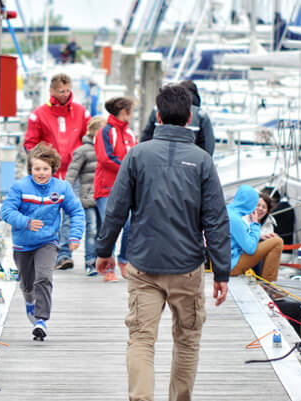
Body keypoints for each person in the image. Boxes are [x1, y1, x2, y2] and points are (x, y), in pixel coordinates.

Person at [96, 84, 230, 401]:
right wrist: (222, 271)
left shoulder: (137, 156)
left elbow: (116, 209)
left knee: (141, 338)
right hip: (187, 267)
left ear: (157, 116)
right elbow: (216, 219)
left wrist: (104, 251)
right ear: (188, 120)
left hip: (144, 264)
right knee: (187, 338)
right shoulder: (202, 161)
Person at [0, 143, 84, 340]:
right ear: (31, 169)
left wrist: (74, 236)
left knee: (44, 277)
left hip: (48, 241)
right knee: (27, 285)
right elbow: (6, 211)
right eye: (37, 169)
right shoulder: (20, 187)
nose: (41, 173)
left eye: (45, 168)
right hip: (23, 243)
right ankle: (30, 301)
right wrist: (26, 222)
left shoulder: (61, 188)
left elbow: (76, 212)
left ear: (53, 168)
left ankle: (41, 320)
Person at [24, 73, 91, 271]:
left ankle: (64, 254)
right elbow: (30, 143)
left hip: (74, 171)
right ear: (52, 91)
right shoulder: (39, 114)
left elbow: (88, 139)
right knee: (47, 213)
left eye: (68, 90)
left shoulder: (81, 113)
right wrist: (38, 165)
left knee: (70, 212)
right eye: (61, 91)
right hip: (48, 173)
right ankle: (46, 251)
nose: (65, 94)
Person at [94, 97, 136, 282]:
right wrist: (128, 169)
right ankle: (108, 267)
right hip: (107, 187)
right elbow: (106, 158)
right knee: (108, 227)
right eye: (130, 111)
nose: (132, 114)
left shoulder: (130, 135)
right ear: (123, 111)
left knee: (129, 226)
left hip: (127, 188)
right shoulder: (106, 131)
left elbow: (135, 158)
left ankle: (124, 260)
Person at [65, 116, 106, 277]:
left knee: (103, 230)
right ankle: (90, 262)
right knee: (92, 229)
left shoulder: (106, 150)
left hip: (104, 196)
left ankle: (101, 260)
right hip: (88, 196)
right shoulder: (82, 151)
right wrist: (67, 193)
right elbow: (72, 173)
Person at [140, 80, 215, 156]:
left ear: (158, 117)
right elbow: (208, 146)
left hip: (157, 157)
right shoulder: (201, 115)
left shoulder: (157, 110)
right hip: (191, 161)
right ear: (189, 117)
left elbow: (146, 137)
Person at [228, 185, 284, 282]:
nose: (257, 208)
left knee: (270, 243)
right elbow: (250, 249)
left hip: (223, 260)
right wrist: (255, 224)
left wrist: (260, 237)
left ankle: (265, 282)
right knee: (277, 242)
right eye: (255, 203)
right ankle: (269, 286)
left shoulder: (229, 210)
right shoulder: (236, 219)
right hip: (230, 265)